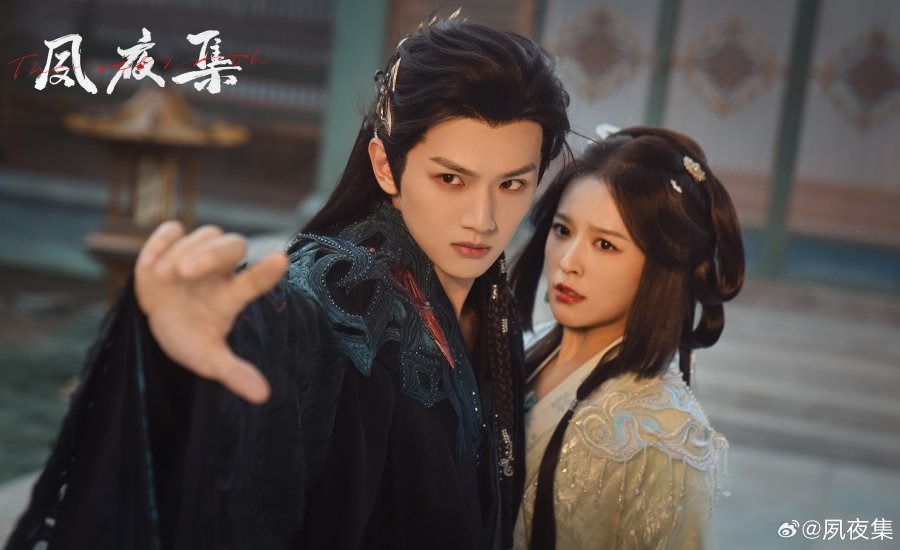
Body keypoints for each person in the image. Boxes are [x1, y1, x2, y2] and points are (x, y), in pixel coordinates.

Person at [7, 17, 570, 550]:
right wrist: (180, 366)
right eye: (450, 178)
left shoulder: (489, 301)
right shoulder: (339, 287)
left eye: (512, 184)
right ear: (385, 166)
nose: (483, 219)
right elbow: (279, 349)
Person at [508, 127, 744, 549]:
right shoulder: (518, 346)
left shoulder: (666, 436)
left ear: (660, 268)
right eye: (562, 230)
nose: (569, 261)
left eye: (605, 244)